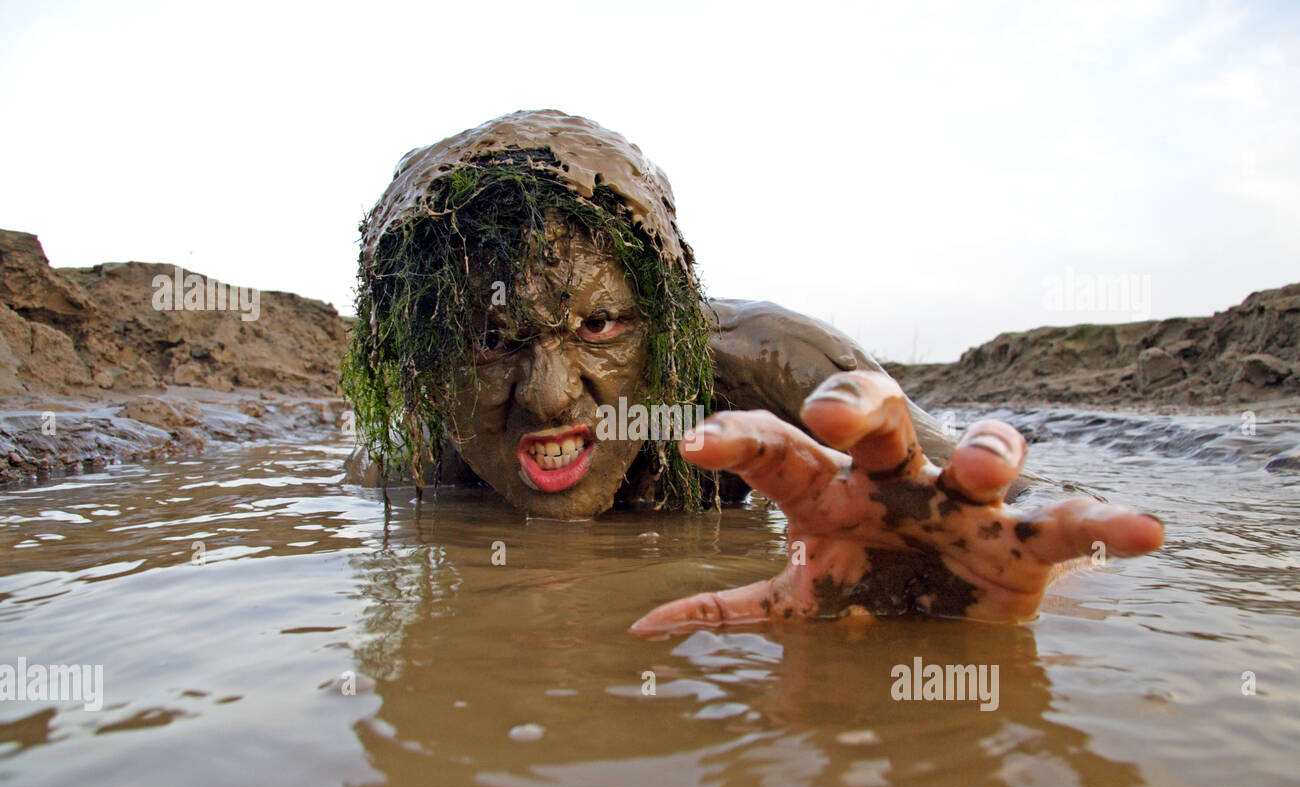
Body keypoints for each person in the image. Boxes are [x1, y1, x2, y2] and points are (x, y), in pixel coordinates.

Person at [343, 109, 1163, 636]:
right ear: (419, 367)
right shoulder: (411, 458)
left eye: (597, 326)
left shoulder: (773, 369)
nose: (551, 394)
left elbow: (1012, 518)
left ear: (666, 321)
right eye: (490, 343)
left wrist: (945, 573)